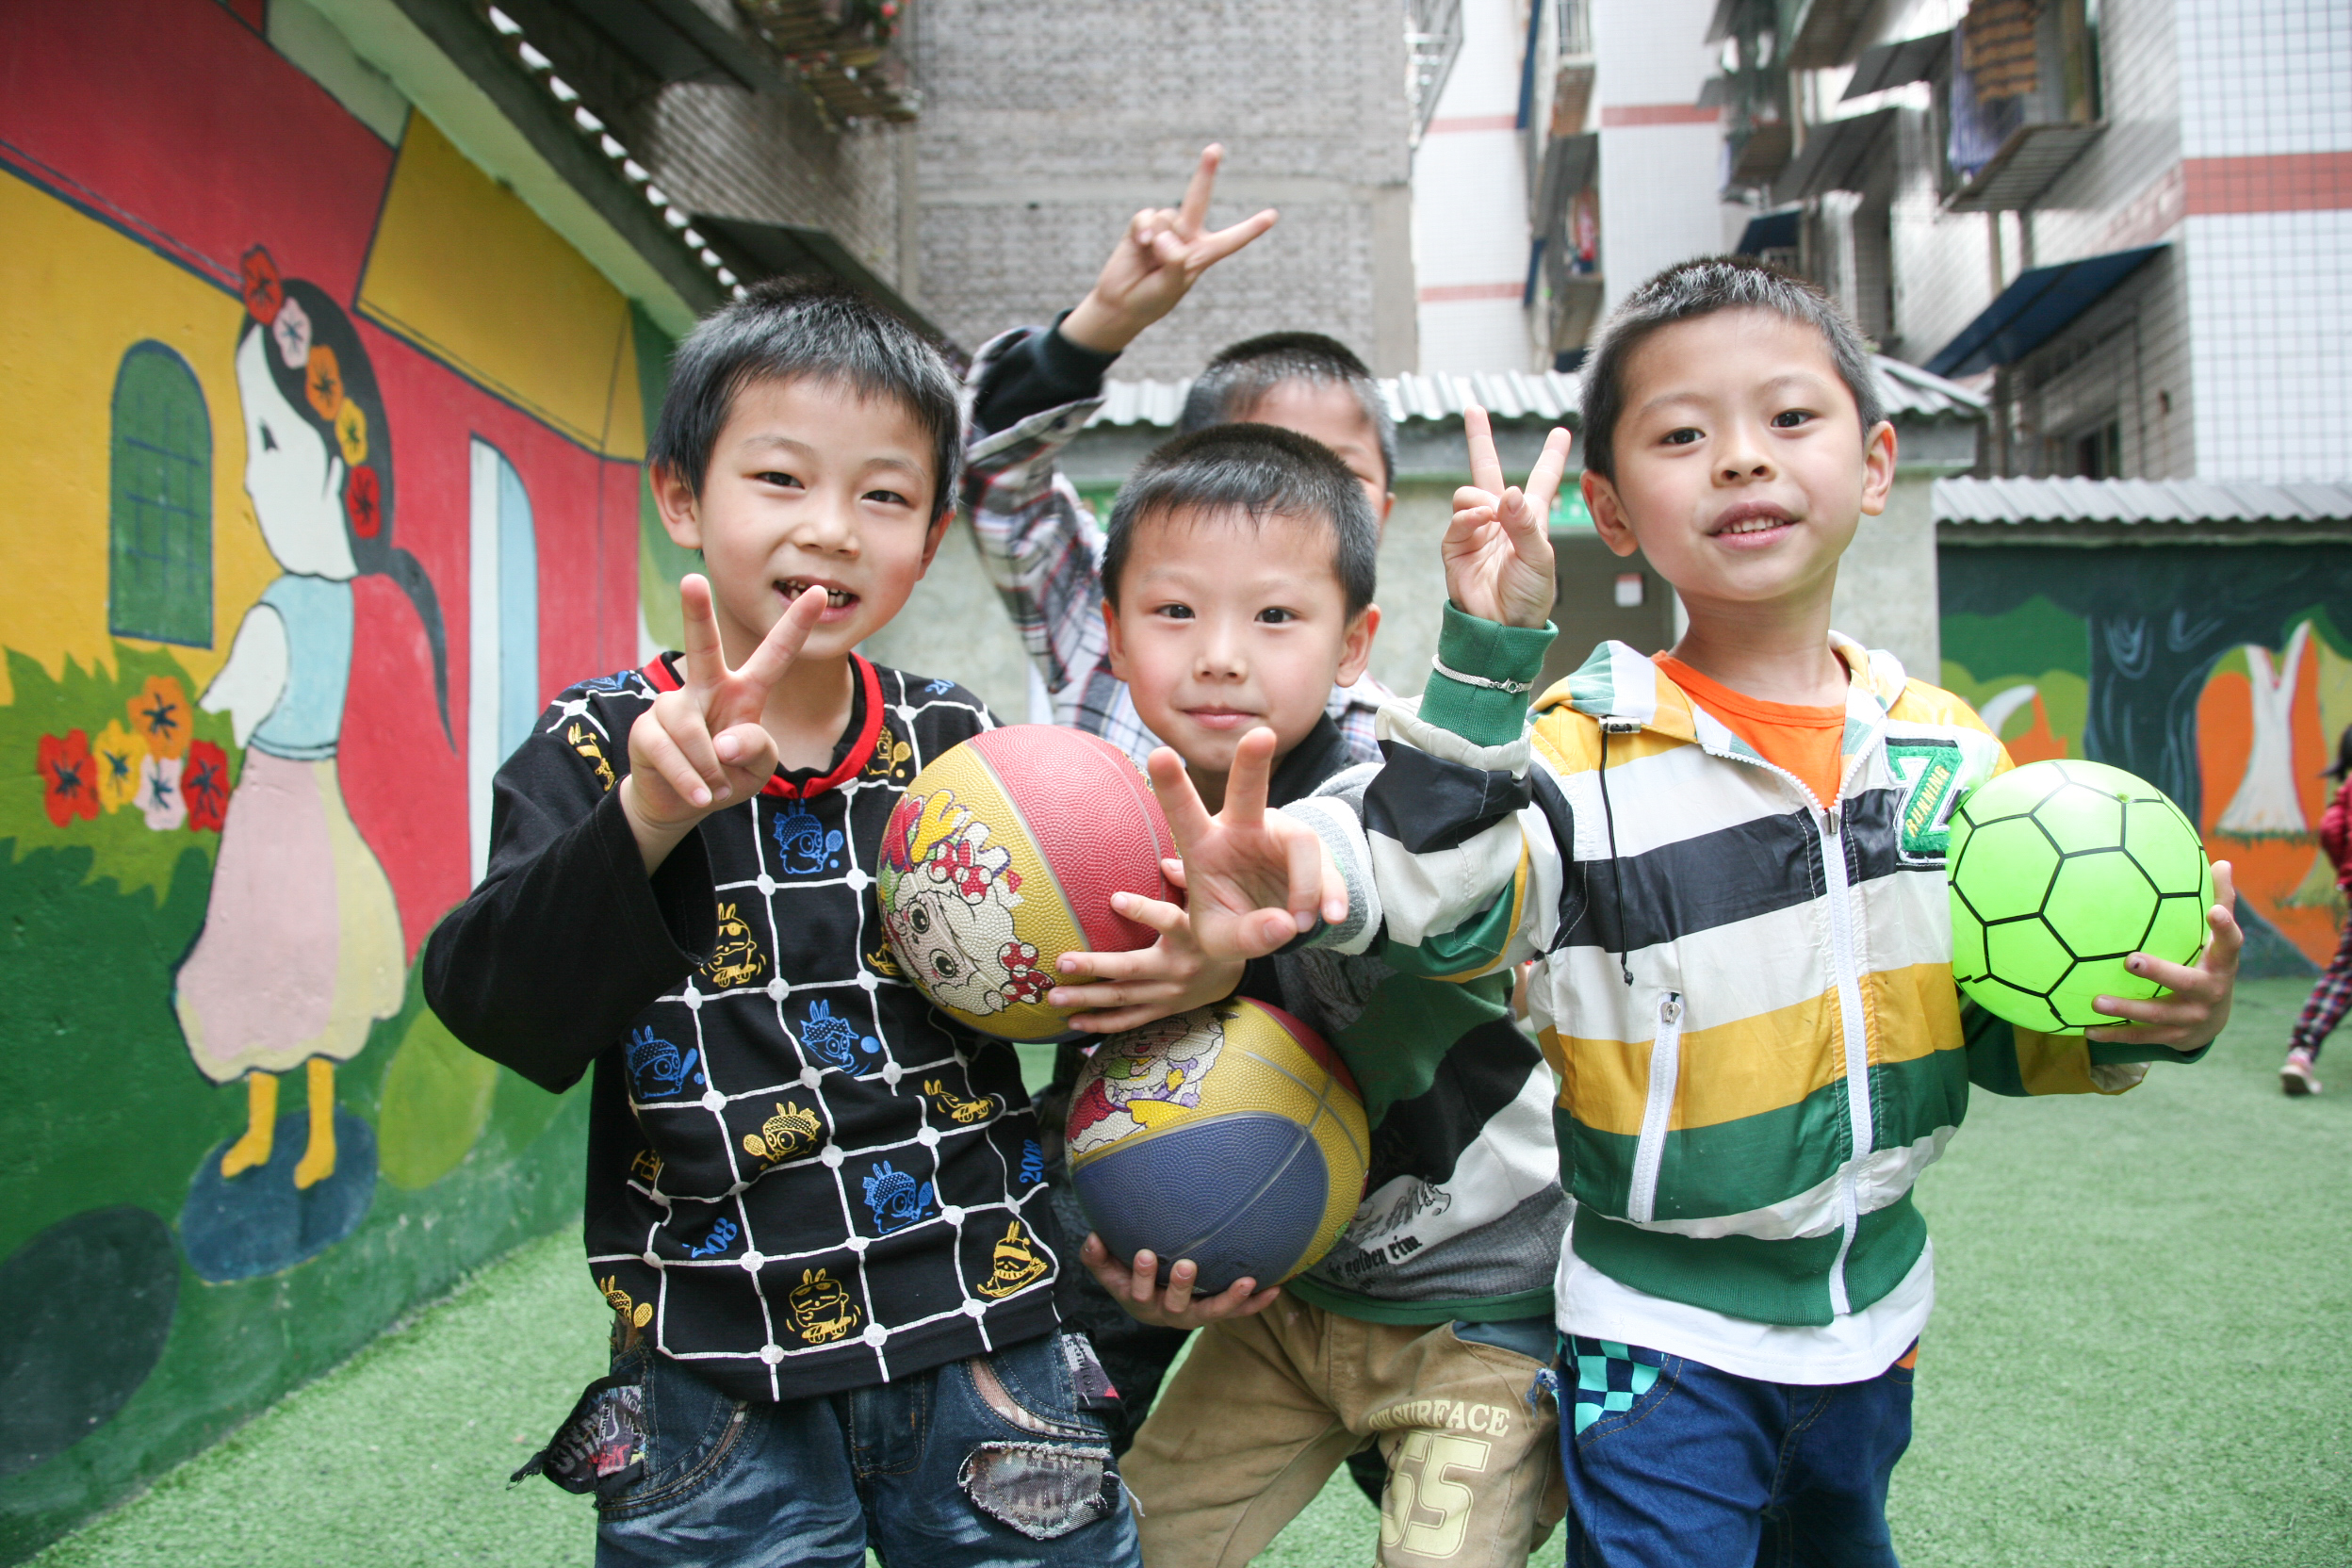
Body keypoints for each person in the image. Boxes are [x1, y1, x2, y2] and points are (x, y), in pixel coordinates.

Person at [1163, 257, 2245, 1567]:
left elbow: (1988, 1032)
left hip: (1874, 1320)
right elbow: (1439, 899)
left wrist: (2148, 1025)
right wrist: (1356, 802)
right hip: (1651, 1335)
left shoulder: (1951, 760)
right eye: (1684, 434)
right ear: (1611, 511)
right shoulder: (1580, 753)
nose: (1740, 459)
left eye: (1790, 419)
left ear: (1879, 460)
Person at [422, 280, 1139, 1567]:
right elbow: (495, 1002)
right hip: (710, 1364)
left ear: (927, 540)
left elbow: (1082, 996)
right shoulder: (597, 748)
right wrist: (646, 813)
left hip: (988, 1331)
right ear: (683, 498)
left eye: (883, 495)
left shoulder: (962, 751)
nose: (833, 529)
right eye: (780, 478)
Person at [1046, 424, 1568, 1566]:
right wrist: (1145, 1256)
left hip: (1478, 1312)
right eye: (1174, 612)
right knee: (1135, 1545)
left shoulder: (1388, 782)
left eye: (1275, 617)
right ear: (1116, 638)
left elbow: (1435, 858)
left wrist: (1489, 644)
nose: (1222, 655)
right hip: (1282, 1307)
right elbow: (1113, 1089)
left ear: (1353, 644)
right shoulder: (1098, 837)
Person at [961, 142, 1405, 1462]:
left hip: (1335, 1140)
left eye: (1337, 475)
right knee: (1064, 1456)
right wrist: (1105, 324)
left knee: (1437, 1457)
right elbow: (990, 478)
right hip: (1118, 1118)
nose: (1287, 505)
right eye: (1255, 461)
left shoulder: (1390, 741)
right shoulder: (1117, 641)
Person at [2282, 725, 2352, 1094]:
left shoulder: (2346, 791)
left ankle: (2301, 1053)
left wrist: (2346, 868)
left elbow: (2330, 828)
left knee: (2344, 976)